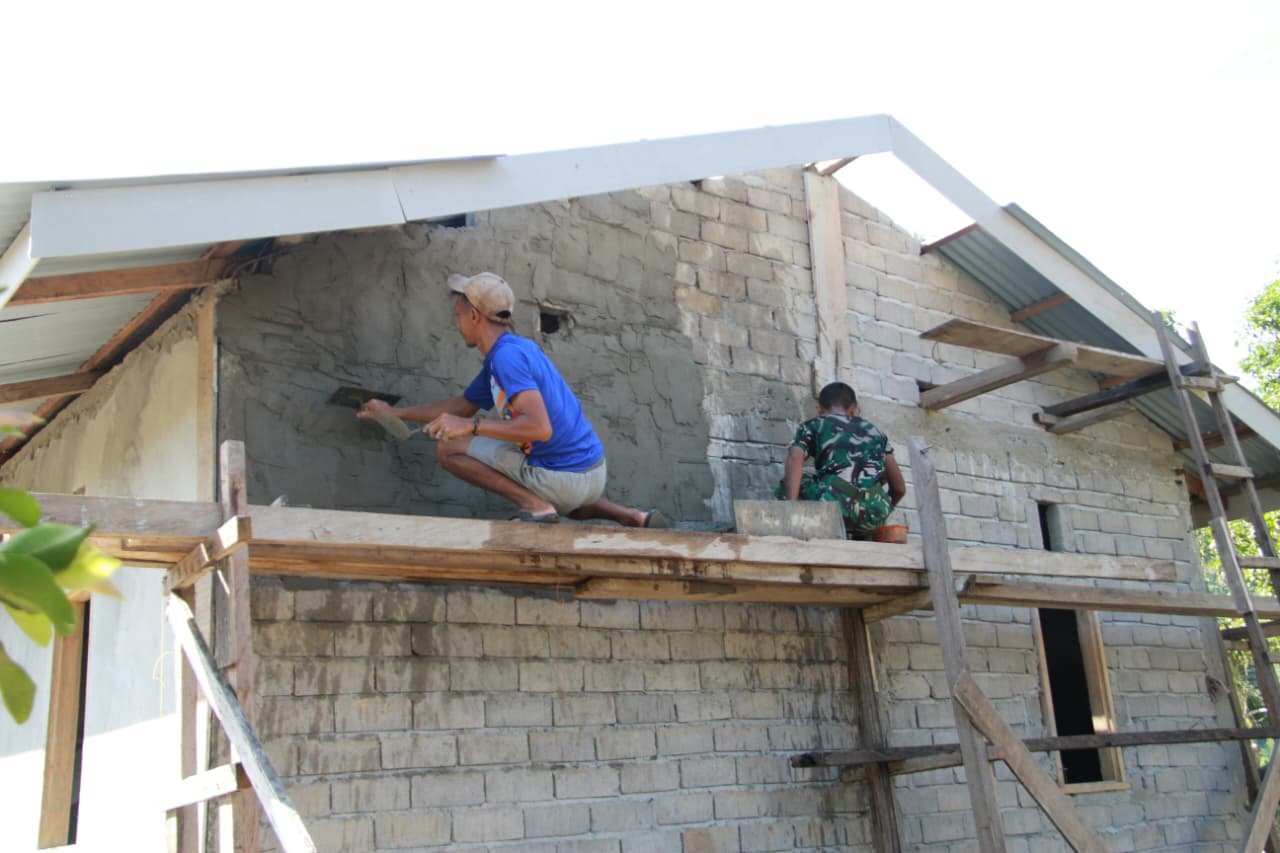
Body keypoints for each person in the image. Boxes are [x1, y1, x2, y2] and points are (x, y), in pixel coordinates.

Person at [359, 272, 667, 527]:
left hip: (565, 481)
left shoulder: (506, 359)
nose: (457, 324)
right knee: (565, 497)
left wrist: (472, 427)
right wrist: (395, 413)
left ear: (474, 316)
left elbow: (540, 428)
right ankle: (632, 516)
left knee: (448, 449)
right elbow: (461, 407)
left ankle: (536, 507)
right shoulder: (513, 352)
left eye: (458, 316)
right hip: (592, 474)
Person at [776, 382, 906, 540]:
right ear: (854, 409)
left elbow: (795, 458)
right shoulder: (877, 433)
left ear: (820, 410)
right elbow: (899, 488)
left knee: (788, 483)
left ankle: (803, 527)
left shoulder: (814, 424)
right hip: (874, 514)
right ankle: (862, 533)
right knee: (873, 484)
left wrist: (791, 507)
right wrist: (884, 509)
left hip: (832, 507)